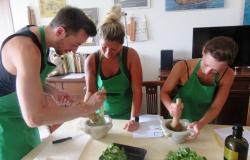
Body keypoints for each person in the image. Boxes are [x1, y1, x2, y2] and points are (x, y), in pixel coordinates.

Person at [0, 6, 106, 159]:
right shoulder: (27, 49)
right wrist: (86, 108)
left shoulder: (38, 37)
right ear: (60, 32)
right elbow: (34, 117)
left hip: (24, 124)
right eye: (75, 44)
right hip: (6, 126)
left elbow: (26, 80)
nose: (75, 51)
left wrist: (54, 91)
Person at [160, 36, 238, 139]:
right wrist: (170, 106)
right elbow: (164, 92)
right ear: (203, 52)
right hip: (176, 121)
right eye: (206, 64)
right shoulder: (182, 67)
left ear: (226, 66)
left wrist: (200, 124)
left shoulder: (228, 75)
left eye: (214, 70)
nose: (207, 72)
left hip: (203, 123)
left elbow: (216, 107)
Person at [84, 5, 143, 132]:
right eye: (104, 47)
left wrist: (134, 118)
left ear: (121, 45)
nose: (108, 53)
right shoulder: (91, 61)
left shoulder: (131, 56)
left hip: (127, 116)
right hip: (102, 118)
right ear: (99, 40)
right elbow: (90, 92)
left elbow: (137, 91)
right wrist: (86, 110)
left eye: (114, 49)